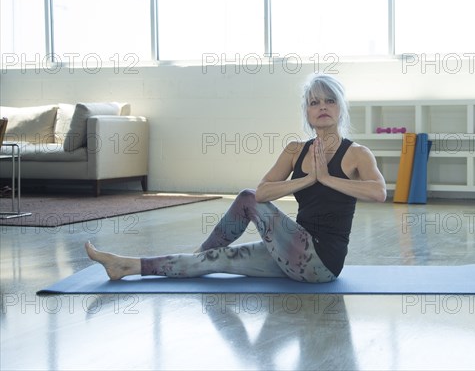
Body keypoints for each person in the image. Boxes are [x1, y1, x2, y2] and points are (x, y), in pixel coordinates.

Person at [86, 74, 387, 283]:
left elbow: (378, 192)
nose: (322, 107)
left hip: (322, 260)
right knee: (216, 259)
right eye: (314, 102)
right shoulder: (295, 151)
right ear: (306, 112)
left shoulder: (356, 153)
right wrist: (307, 180)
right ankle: (125, 266)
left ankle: (200, 252)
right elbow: (264, 191)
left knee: (243, 199)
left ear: (340, 107)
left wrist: (326, 178)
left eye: (329, 101)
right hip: (290, 252)